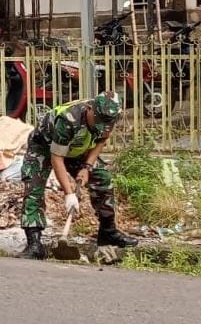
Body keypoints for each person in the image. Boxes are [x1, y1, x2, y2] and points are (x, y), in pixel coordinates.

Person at [18, 91, 138, 260]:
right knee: (34, 187)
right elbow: (57, 157)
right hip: (44, 146)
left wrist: (87, 167)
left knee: (103, 179)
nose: (101, 126)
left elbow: (102, 140)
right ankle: (35, 244)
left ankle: (107, 233)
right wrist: (69, 194)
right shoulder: (68, 119)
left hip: (78, 149)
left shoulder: (107, 117)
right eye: (98, 121)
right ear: (89, 109)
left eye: (106, 123)